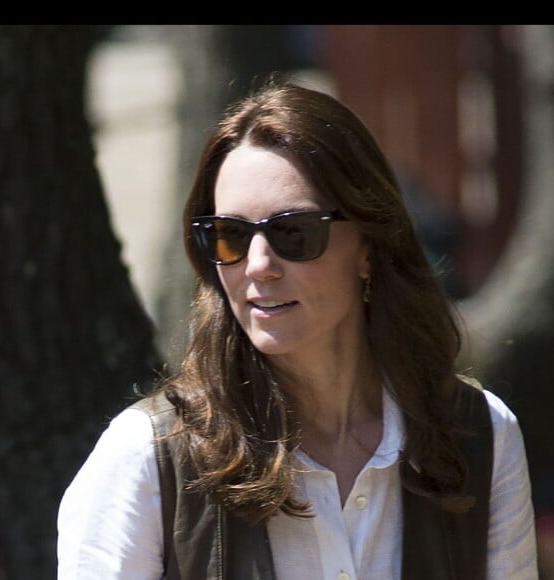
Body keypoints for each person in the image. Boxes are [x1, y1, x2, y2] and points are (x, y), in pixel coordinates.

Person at [57, 80, 538, 579]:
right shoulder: (146, 458)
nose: (259, 265)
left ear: (370, 246)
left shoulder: (480, 436)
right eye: (231, 236)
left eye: (293, 232)